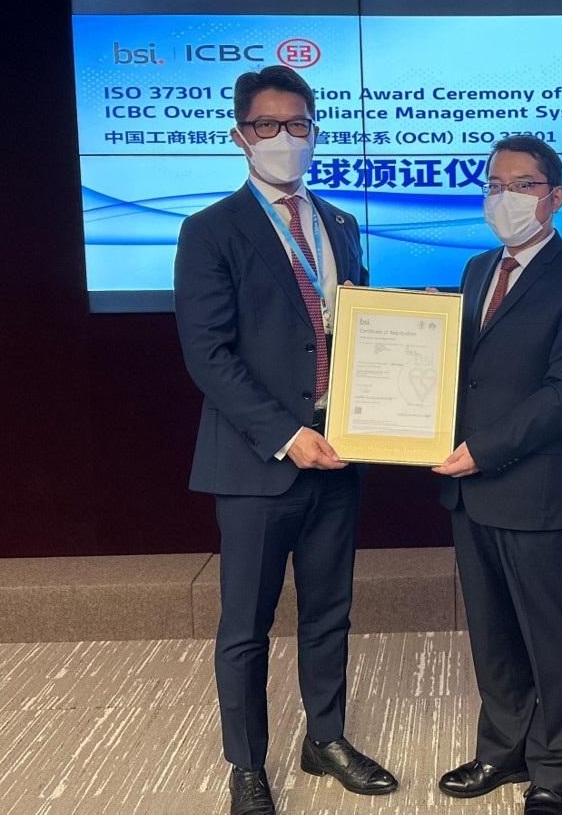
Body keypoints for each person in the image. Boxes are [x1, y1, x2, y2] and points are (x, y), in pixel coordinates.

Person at [174, 65, 397, 815]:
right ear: (240, 135)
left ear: (314, 131)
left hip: (339, 450)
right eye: (267, 125)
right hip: (257, 460)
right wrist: (285, 433)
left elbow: (356, 328)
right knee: (246, 626)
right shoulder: (210, 230)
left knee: (330, 610)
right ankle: (247, 766)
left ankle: (325, 738)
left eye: (297, 125)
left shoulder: (339, 224)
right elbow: (207, 354)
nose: (284, 138)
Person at [433, 135, 562, 815]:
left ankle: (553, 771)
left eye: (522, 185)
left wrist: (483, 449)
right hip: (468, 490)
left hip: (533, 489)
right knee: (491, 631)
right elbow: (466, 368)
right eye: (493, 185)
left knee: (550, 635)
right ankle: (502, 749)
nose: (503, 197)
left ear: (555, 197)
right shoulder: (478, 268)